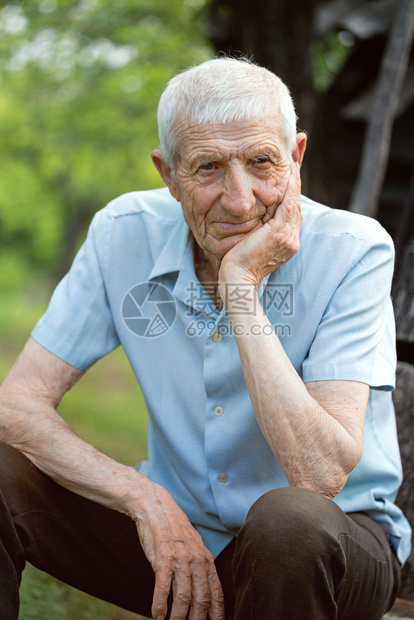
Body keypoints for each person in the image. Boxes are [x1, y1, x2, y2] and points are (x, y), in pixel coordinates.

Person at [0, 57, 410, 620]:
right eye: (209, 168)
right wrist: (143, 498)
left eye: (262, 162)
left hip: (331, 543)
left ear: (297, 157)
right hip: (177, 538)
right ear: (168, 174)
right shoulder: (123, 233)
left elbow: (319, 477)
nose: (241, 201)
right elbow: (16, 405)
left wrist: (240, 283)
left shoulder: (352, 250)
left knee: (289, 521)